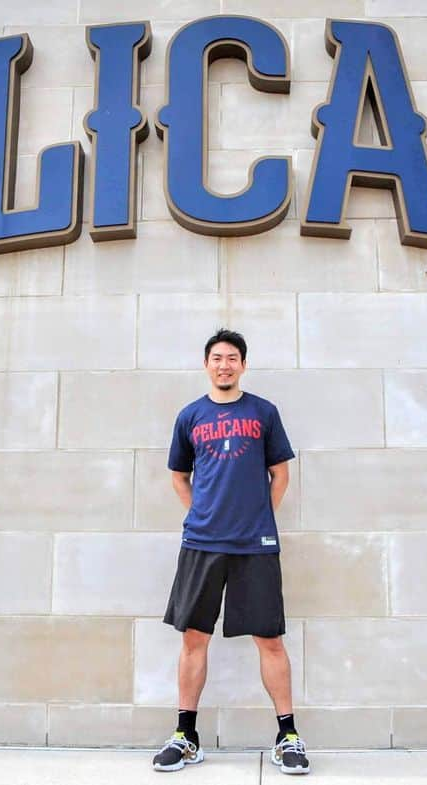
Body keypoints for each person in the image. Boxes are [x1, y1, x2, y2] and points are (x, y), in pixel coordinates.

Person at [151, 329, 310, 776]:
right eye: (217, 357)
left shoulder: (263, 412)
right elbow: (178, 475)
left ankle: (288, 736)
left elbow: (280, 474)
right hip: (202, 542)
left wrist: (260, 517)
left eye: (233, 358)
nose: (225, 364)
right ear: (207, 364)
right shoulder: (191, 416)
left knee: (270, 639)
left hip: (254, 545)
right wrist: (202, 513)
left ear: (243, 365)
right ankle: (186, 736)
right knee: (193, 637)